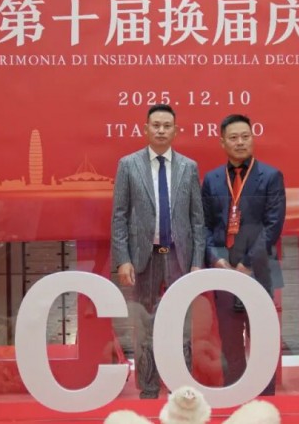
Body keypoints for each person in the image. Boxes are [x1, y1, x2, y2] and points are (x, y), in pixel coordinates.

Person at [111, 104, 206, 399]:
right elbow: (119, 216)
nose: (161, 130)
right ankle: (149, 387)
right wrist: (123, 259)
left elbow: (197, 220)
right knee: (145, 323)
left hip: (179, 256)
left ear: (175, 130)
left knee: (182, 323)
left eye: (167, 126)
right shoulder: (129, 165)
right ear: (146, 129)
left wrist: (197, 262)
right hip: (144, 257)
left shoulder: (188, 167)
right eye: (156, 125)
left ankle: (181, 386)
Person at [201, 114, 286, 396]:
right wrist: (217, 260)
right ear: (223, 142)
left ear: (253, 138)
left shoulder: (271, 176)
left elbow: (273, 225)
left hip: (258, 267)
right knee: (230, 338)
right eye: (234, 137)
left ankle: (266, 398)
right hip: (223, 269)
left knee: (261, 337)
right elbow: (205, 225)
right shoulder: (212, 179)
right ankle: (234, 394)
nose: (240, 142)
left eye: (245, 136)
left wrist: (247, 263)